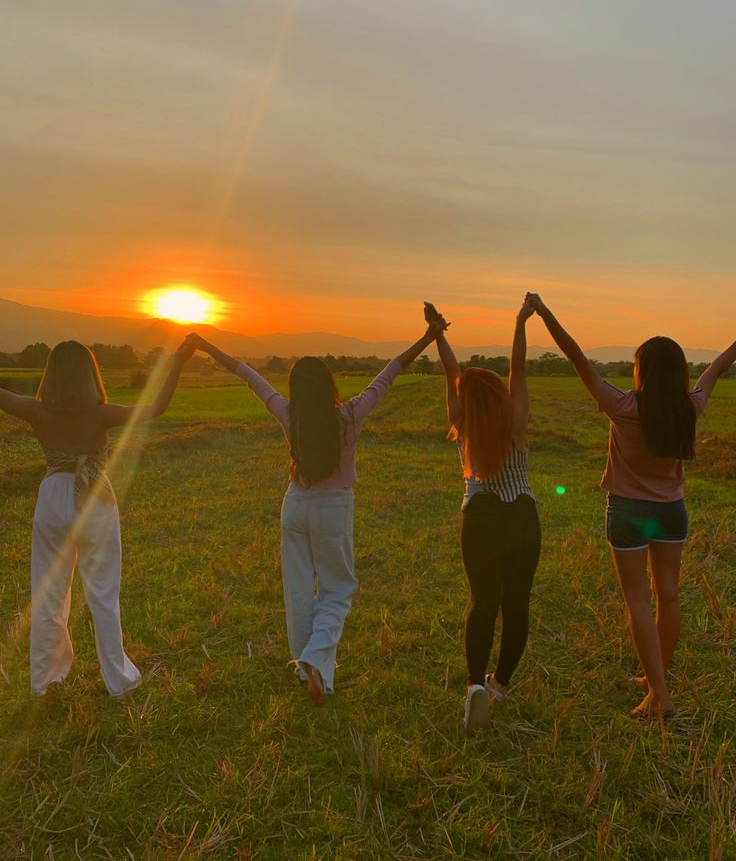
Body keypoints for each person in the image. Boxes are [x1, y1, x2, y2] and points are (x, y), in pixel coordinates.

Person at [186, 316, 448, 705]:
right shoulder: (349, 415)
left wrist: (206, 346)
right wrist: (428, 337)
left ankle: (311, 672)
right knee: (338, 589)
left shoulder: (289, 414)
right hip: (332, 508)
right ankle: (312, 660)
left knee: (298, 591)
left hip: (294, 505)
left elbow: (249, 375)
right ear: (328, 385)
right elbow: (391, 372)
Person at [527, 293, 736, 719]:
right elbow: (718, 366)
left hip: (628, 515)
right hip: (670, 513)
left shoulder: (622, 407)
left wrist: (545, 313)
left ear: (641, 371)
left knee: (639, 602)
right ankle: (657, 678)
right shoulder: (690, 407)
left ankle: (659, 693)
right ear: (679, 372)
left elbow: (576, 357)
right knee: (669, 596)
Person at [0, 339, 193, 697]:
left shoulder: (36, 411)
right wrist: (178, 363)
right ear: (91, 373)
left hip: (53, 496)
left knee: (49, 593)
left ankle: (44, 681)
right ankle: (118, 679)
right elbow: (158, 407)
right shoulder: (103, 414)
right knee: (103, 591)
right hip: (95, 497)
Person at [435, 298, 541, 733]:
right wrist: (519, 323)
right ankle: (500, 684)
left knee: (483, 602)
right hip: (522, 515)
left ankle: (474, 686)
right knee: (516, 605)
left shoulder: (463, 422)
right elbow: (519, 367)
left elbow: (451, 372)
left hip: (480, 514)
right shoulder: (516, 419)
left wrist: (438, 334)